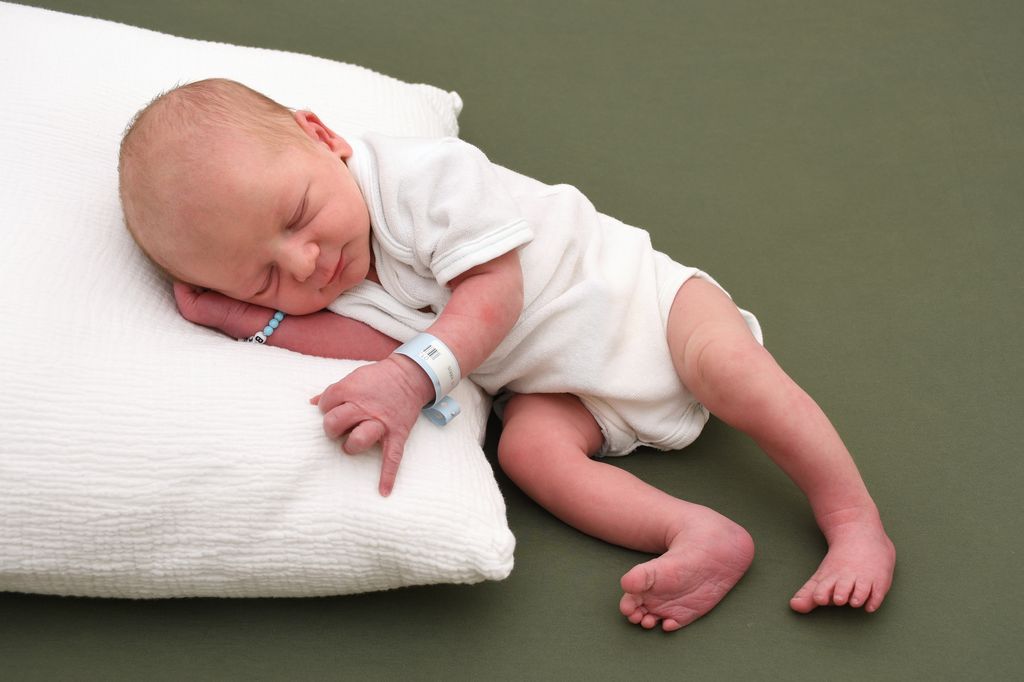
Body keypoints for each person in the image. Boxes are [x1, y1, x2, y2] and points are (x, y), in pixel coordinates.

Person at [118, 78, 895, 631]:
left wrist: (408, 379)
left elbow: (493, 293)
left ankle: (853, 519)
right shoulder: (326, 279)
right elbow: (376, 341)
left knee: (730, 370)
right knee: (528, 452)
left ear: (324, 137)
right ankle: (696, 534)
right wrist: (250, 323)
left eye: (297, 214)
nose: (305, 263)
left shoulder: (422, 179)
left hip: (646, 306)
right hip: (561, 386)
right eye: (264, 276)